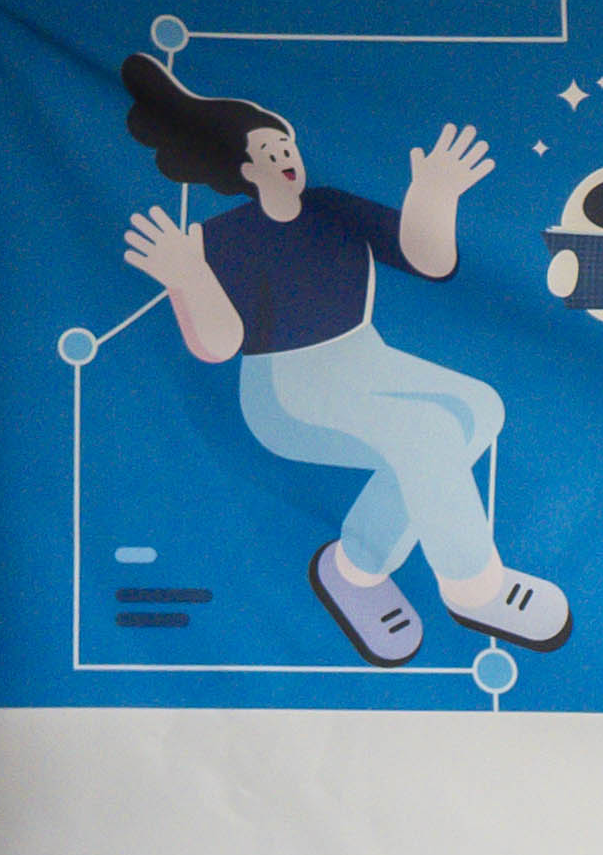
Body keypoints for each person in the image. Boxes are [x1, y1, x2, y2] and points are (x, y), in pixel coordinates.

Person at [111, 53, 566, 667]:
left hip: (366, 357)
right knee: (425, 434)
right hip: (285, 389)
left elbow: (427, 258)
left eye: (287, 145)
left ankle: (354, 569)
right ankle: (475, 587)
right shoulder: (224, 237)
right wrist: (187, 276)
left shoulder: (330, 206)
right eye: (269, 151)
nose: (285, 156)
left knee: (477, 409)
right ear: (245, 169)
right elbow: (218, 345)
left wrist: (434, 194)